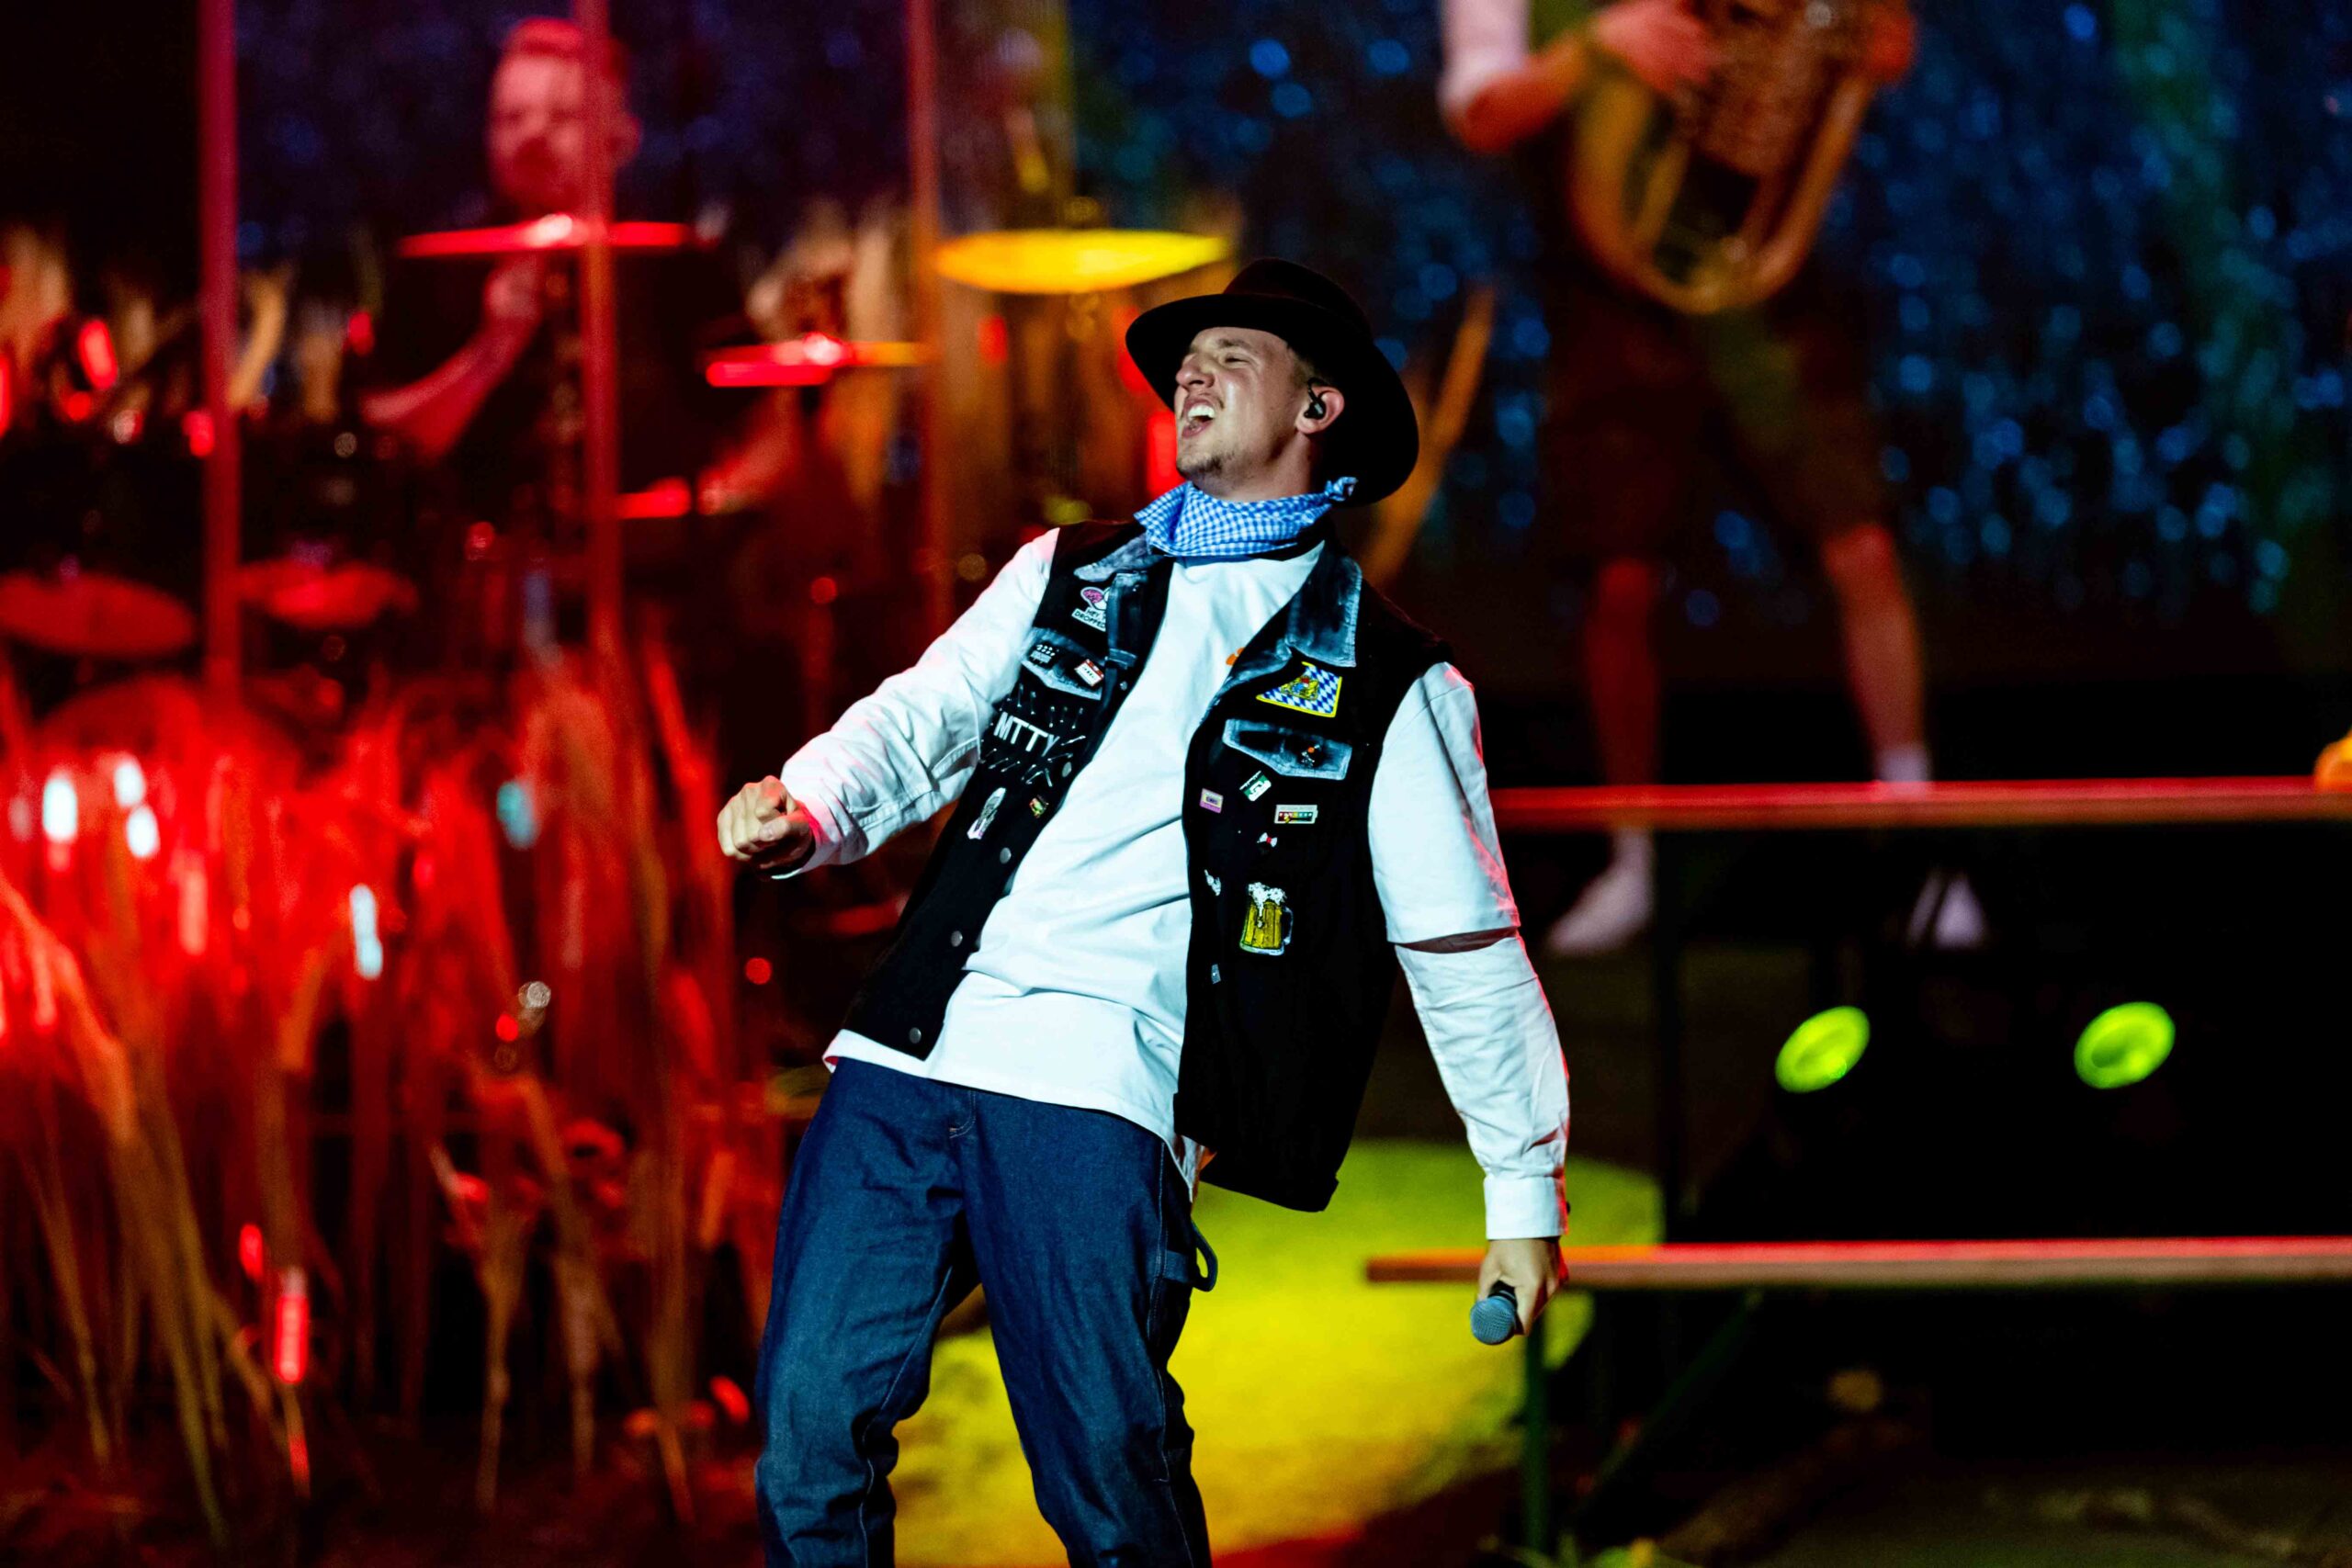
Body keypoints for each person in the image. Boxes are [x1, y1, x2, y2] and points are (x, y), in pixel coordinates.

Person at [718, 260, 1571, 1565]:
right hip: (911, 1051)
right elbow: (925, 714)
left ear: (1319, 407)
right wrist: (812, 801)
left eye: (1233, 355)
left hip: (1100, 1084)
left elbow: (1462, 943)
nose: (1192, 376)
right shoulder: (1068, 570)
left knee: (1107, 1476)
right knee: (808, 1438)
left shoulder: (1388, 676)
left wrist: (1521, 1185)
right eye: (1185, 361)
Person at [1441, 0, 1981, 952]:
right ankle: (1634, 858)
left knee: (1861, 544)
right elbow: (1481, 112)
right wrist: (1595, 48)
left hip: (1762, 279)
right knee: (1618, 582)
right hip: (1612, 289)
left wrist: (1862, 39)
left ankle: (1918, 840)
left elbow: (1875, 39)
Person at [361, 17, 743, 527]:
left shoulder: (677, 262)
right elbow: (385, 448)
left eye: (562, 117)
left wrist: (711, 509)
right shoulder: (434, 265)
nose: (532, 135)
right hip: (481, 558)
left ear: (622, 138)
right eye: (511, 118)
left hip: (659, 556)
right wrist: (491, 350)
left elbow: (766, 422)